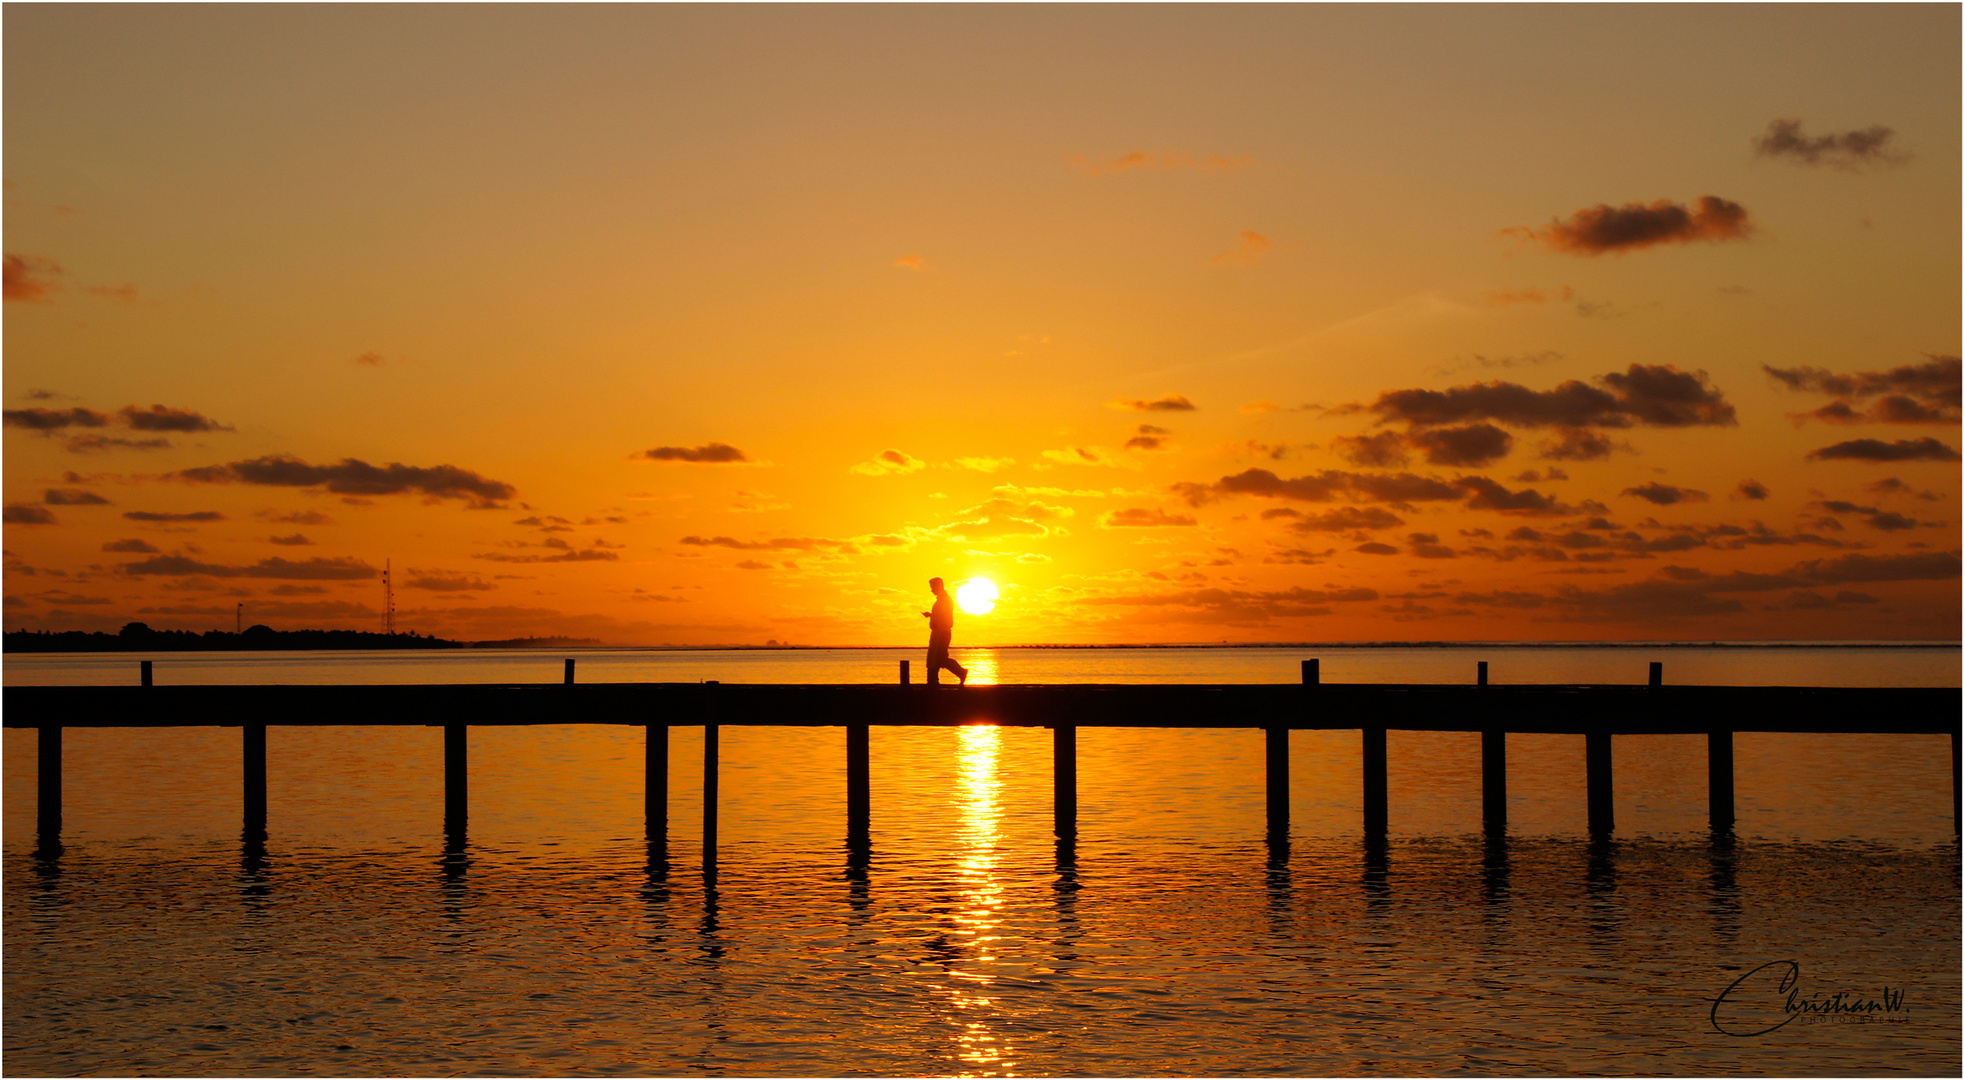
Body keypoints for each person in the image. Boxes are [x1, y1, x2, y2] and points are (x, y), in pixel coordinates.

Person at [921, 577, 968, 686]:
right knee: (936, 657)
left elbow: (944, 616)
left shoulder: (945, 600)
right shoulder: (942, 599)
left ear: (939, 586)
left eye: (933, 588)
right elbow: (941, 615)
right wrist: (931, 615)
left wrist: (933, 617)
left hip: (942, 632)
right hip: (939, 631)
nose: (932, 590)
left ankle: (960, 672)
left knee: (939, 657)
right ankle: (933, 681)